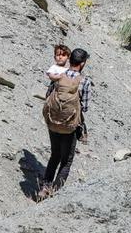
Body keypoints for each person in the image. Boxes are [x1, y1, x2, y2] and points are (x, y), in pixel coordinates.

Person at [39, 48, 91, 200]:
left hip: (53, 122)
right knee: (66, 161)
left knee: (54, 155)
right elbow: (86, 107)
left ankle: (44, 187)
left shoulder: (59, 77)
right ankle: (55, 194)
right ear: (82, 64)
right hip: (69, 127)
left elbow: (48, 96)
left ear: (70, 60)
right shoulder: (84, 81)